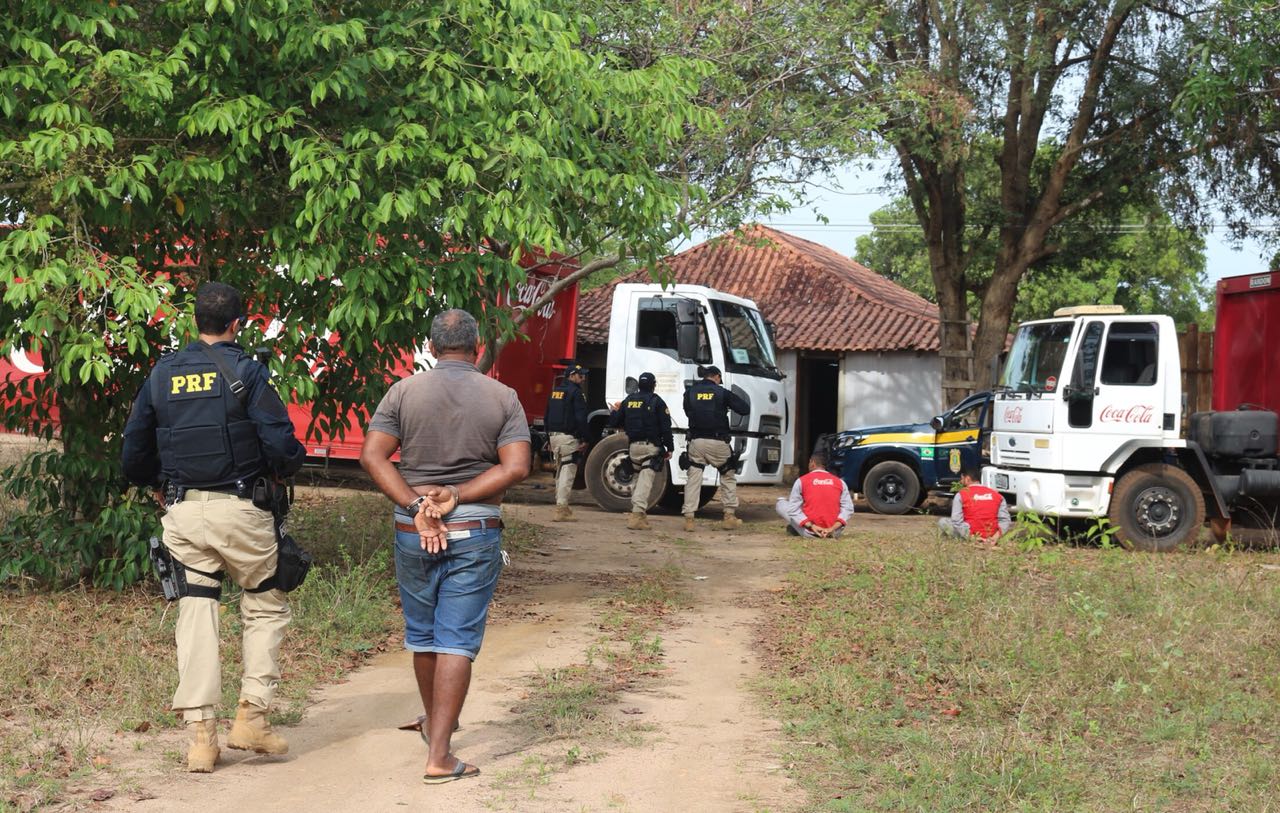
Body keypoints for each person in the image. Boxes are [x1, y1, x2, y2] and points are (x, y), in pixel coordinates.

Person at [121, 282, 306, 773]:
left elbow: (133, 449)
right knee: (265, 601)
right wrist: (284, 471)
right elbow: (283, 449)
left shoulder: (162, 374)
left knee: (196, 612)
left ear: (195, 322)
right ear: (237, 324)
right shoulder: (247, 372)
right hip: (242, 511)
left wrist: (155, 484)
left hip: (183, 515)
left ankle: (201, 739)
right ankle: (252, 718)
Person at [359, 308, 530, 786]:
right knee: (456, 638)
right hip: (474, 531)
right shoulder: (503, 396)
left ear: (431, 348)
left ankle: (437, 719)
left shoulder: (404, 391)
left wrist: (418, 503)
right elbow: (516, 467)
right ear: (478, 349)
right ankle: (440, 753)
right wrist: (458, 496)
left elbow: (373, 456)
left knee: (423, 633)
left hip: (412, 530)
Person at [682, 364, 750, 532]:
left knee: (694, 478)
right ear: (717, 377)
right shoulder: (722, 392)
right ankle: (729, 516)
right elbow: (744, 409)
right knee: (727, 475)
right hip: (718, 442)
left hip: (696, 442)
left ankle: (689, 518)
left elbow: (688, 411)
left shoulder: (690, 393)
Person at [608, 371, 673, 530]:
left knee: (638, 479)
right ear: (653, 385)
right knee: (645, 482)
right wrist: (669, 447)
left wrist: (615, 410)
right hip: (650, 448)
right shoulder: (657, 401)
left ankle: (640, 516)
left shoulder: (629, 400)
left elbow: (615, 422)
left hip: (633, 448)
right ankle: (637, 515)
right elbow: (665, 427)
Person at [543, 363, 590, 522]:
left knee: (560, 471)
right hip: (568, 438)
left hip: (554, 437)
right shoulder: (576, 393)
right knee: (567, 472)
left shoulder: (556, 392)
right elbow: (581, 418)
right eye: (580, 375)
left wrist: (548, 439)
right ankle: (561, 508)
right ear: (571, 375)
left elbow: (547, 416)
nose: (582, 378)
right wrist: (585, 438)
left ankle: (561, 506)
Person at [775, 447, 855, 537]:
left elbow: (793, 510)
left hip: (810, 532)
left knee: (781, 503)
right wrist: (831, 529)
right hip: (833, 532)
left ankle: (799, 527)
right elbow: (848, 509)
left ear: (812, 463)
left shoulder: (802, 481)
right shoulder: (840, 482)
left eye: (809, 462)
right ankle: (830, 529)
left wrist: (812, 526)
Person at [939, 464, 1012, 542]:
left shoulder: (961, 495)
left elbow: (957, 521)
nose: (961, 481)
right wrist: (995, 537)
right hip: (991, 534)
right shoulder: (998, 495)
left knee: (943, 521)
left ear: (967, 479)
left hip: (972, 535)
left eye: (962, 479)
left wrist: (973, 538)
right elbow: (1005, 520)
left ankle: (968, 539)